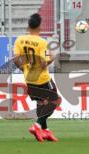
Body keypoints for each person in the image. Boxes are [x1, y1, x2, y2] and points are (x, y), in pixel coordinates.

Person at [14, 13, 61, 142]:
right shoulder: (41, 42)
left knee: (41, 103)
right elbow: (43, 63)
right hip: (42, 79)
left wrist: (24, 69)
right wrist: (52, 57)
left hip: (29, 78)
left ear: (28, 25)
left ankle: (45, 131)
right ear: (39, 26)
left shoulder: (19, 40)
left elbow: (16, 59)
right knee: (54, 101)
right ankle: (37, 125)